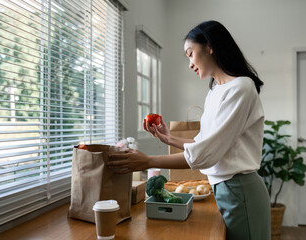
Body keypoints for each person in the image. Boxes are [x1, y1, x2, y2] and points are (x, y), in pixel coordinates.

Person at [108, 20, 270, 240]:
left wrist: (148, 161)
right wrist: (168, 138)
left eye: (190, 53)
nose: (190, 63)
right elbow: (203, 144)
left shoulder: (241, 87)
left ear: (210, 46)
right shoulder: (214, 92)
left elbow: (205, 154)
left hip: (240, 190)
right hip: (224, 189)